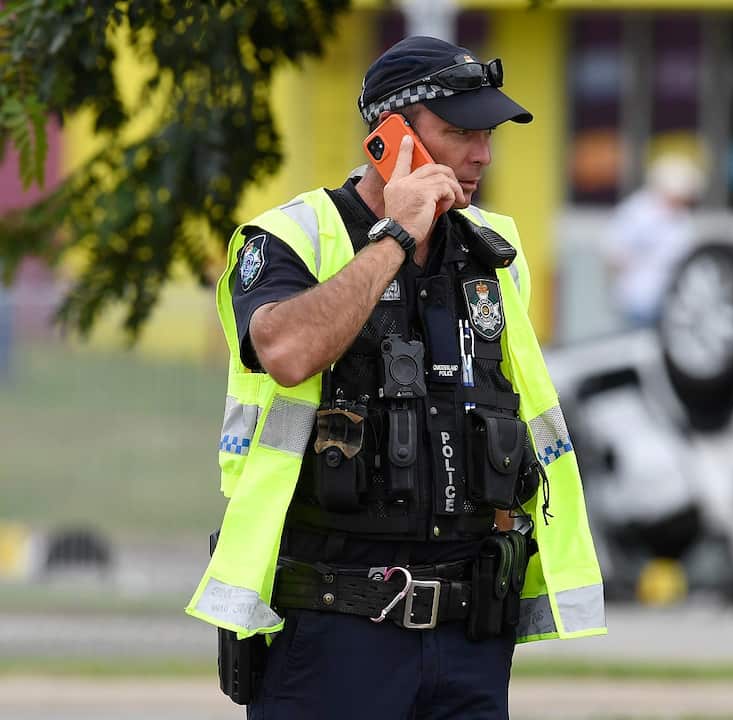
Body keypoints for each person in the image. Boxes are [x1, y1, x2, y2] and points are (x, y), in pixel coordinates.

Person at [186, 36, 606, 720]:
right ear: (390, 138)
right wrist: (396, 235)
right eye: (462, 132)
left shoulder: (494, 253)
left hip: (470, 636)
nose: (483, 154)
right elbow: (287, 350)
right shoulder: (293, 236)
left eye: (488, 133)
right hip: (333, 633)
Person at [604, 153, 705, 328]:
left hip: (669, 303)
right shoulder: (639, 211)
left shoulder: (682, 218)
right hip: (637, 301)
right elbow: (613, 249)